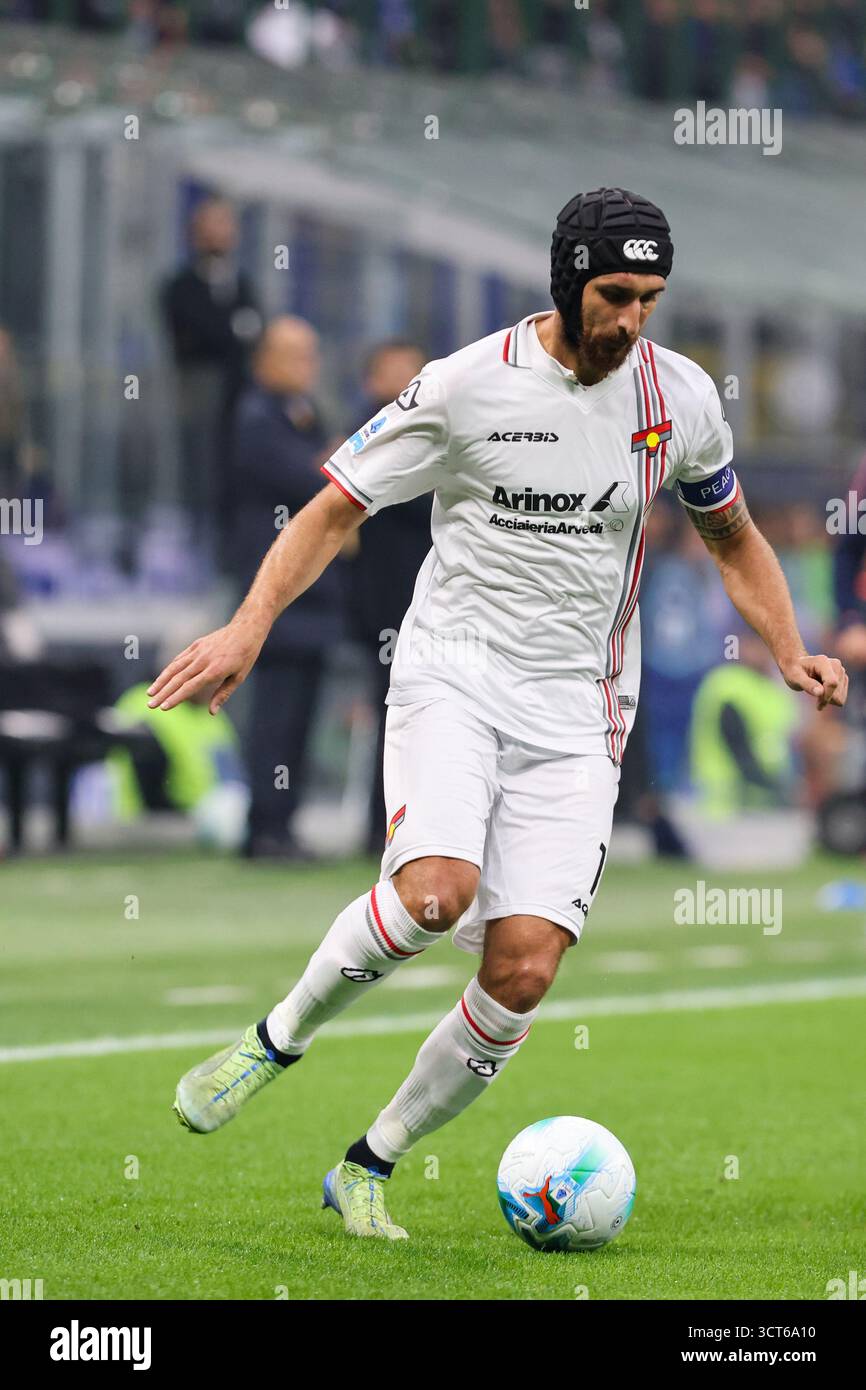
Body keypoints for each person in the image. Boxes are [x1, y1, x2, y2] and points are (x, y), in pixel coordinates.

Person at [148, 187, 848, 1242]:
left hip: (578, 709)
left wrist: (788, 646)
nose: (631, 319)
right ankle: (275, 1038)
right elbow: (335, 503)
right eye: (614, 294)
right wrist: (244, 628)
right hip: (453, 675)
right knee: (434, 895)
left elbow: (733, 532)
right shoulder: (465, 387)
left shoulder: (678, 397)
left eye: (649, 298)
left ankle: (367, 1163)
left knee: (520, 964)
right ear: (568, 279)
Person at [229, 316, 345, 860]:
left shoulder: (303, 412)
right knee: (275, 715)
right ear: (264, 360)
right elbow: (318, 478)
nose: (307, 364)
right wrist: (336, 461)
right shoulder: (256, 415)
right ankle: (264, 826)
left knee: (301, 715)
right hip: (273, 593)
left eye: (311, 353)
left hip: (312, 595)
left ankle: (284, 822)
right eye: (295, 354)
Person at [341, 340, 431, 854]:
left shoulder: (424, 427)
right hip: (387, 602)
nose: (407, 381)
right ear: (372, 378)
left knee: (413, 713)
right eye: (396, 371)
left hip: (419, 598)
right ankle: (384, 828)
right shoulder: (372, 432)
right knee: (396, 711)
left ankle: (400, 827)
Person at [161, 196, 262, 555]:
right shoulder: (180, 286)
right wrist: (231, 331)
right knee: (202, 471)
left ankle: (231, 554)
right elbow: (197, 334)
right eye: (212, 227)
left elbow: (252, 330)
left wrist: (230, 332)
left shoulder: (242, 282)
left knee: (235, 471)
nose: (220, 235)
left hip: (238, 393)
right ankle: (198, 550)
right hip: (200, 392)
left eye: (226, 226)